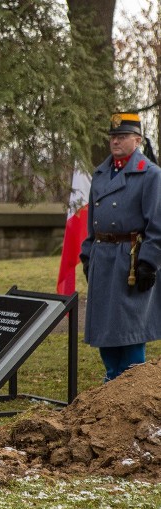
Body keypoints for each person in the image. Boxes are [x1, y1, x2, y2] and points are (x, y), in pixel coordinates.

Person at [80, 112, 161, 382]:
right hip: (103, 258)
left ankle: (132, 390)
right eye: (113, 137)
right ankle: (111, 382)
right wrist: (87, 253)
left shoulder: (150, 174)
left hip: (131, 260)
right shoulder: (101, 172)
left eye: (122, 136)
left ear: (137, 140)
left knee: (130, 329)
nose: (116, 142)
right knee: (106, 328)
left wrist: (149, 262)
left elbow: (157, 225)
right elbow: (92, 219)